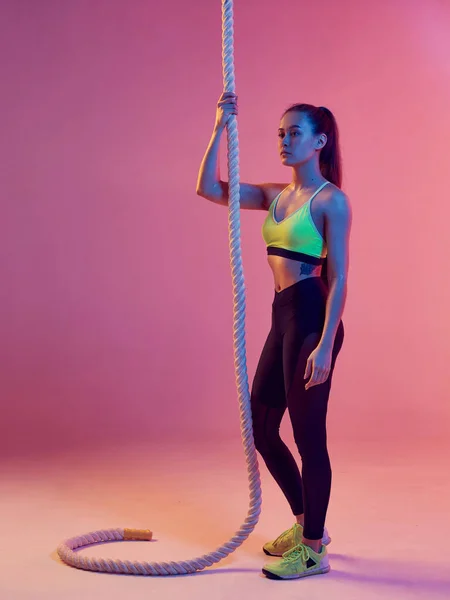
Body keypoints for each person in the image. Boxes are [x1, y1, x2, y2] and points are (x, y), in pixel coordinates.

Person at [196, 92, 352, 580]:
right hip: (281, 314)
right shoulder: (274, 195)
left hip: (310, 319)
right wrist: (220, 127)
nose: (284, 141)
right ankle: (311, 524)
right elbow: (207, 189)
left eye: (295, 133)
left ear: (319, 141)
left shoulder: (331, 200)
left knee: (309, 438)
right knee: (262, 428)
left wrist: (326, 344)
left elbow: (341, 278)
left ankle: (312, 551)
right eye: (280, 134)